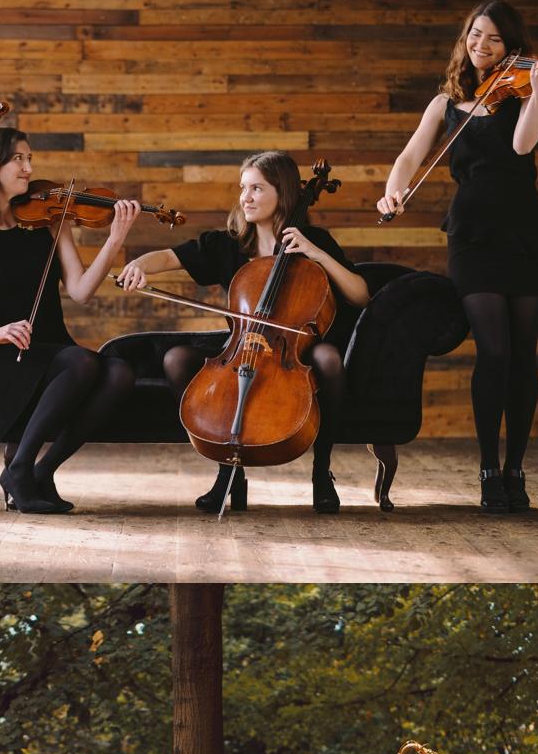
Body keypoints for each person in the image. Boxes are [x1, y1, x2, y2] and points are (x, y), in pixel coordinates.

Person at [377, 0, 538, 512]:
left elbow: (523, 147)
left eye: (495, 39)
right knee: (494, 351)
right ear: (466, 38)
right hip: (473, 236)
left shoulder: (522, 92)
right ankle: (487, 468)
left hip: (524, 234)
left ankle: (515, 468)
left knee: (523, 354)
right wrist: (393, 191)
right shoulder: (446, 104)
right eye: (476, 35)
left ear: (512, 47)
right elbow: (410, 157)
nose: (482, 45)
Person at [117, 151, 376, 514]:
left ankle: (321, 470)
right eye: (243, 188)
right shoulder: (229, 243)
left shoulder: (313, 240)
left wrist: (317, 254)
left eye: (257, 188)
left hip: (297, 351)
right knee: (176, 359)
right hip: (241, 345)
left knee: (329, 358)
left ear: (283, 193)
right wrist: (138, 266)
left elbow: (361, 294)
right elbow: (168, 257)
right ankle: (229, 472)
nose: (246, 197)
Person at [0, 128, 138, 514]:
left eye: (30, 159)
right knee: (82, 360)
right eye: (19, 159)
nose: (29, 168)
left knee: (120, 373)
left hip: (54, 351)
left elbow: (80, 290)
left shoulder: (49, 224)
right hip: (6, 356)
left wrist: (114, 239)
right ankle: (20, 469)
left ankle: (39, 472)